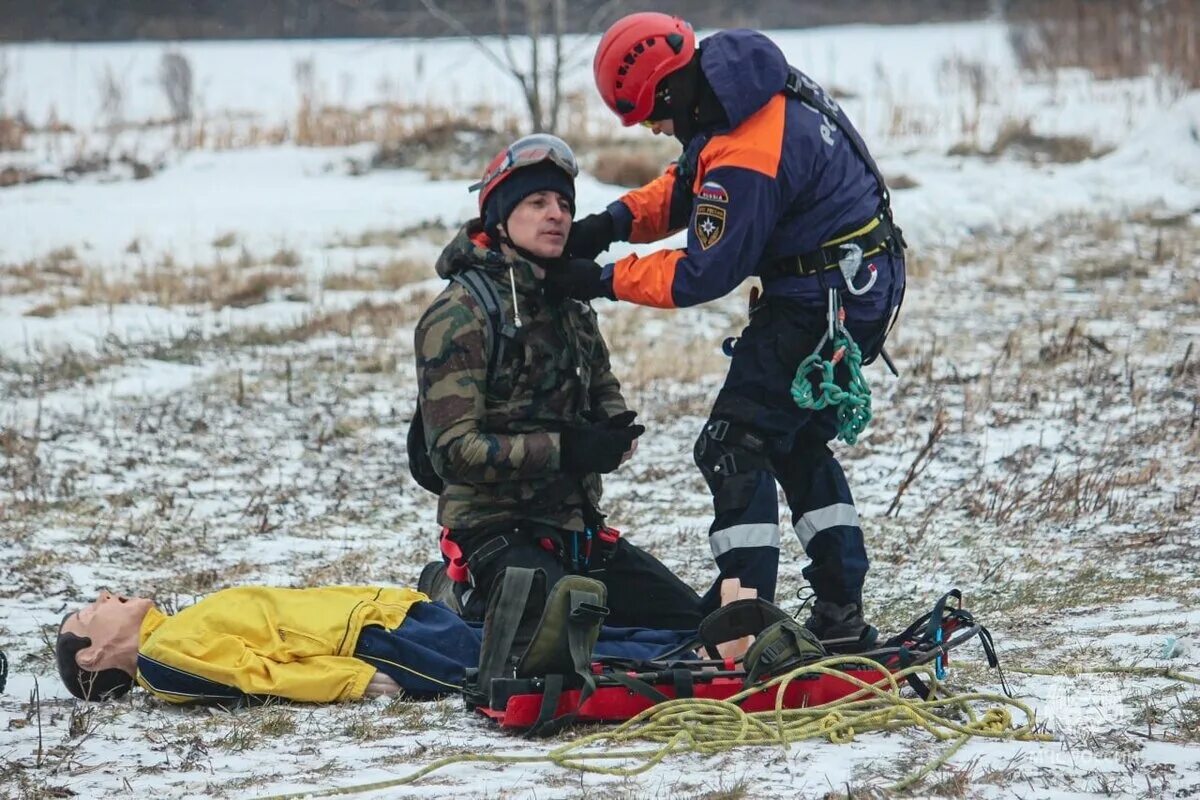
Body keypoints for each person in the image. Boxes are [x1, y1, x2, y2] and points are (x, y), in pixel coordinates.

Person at [544, 13, 908, 644]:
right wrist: (609, 223)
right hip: (851, 286)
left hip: (821, 301)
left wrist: (602, 278)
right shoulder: (734, 92)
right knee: (791, 442)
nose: (654, 129)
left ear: (666, 90)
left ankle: (746, 618)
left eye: (649, 116)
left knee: (731, 443)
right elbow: (689, 185)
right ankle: (840, 611)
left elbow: (704, 272)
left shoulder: (747, 148)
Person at [412, 133, 704, 630]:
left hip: (576, 529)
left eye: (565, 204)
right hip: (492, 530)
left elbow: (603, 385)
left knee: (690, 623)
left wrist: (613, 429)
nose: (557, 215)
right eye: (537, 202)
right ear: (500, 219)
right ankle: (451, 587)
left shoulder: (570, 300)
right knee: (562, 627)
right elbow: (451, 451)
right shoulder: (459, 314)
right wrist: (567, 449)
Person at [54, 586, 694, 704]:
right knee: (532, 660)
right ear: (92, 657)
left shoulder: (177, 630)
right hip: (377, 643)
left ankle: (694, 641)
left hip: (388, 617)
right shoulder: (164, 664)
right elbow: (259, 675)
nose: (105, 596)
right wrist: (355, 681)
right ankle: (693, 660)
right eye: (90, 611)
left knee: (536, 639)